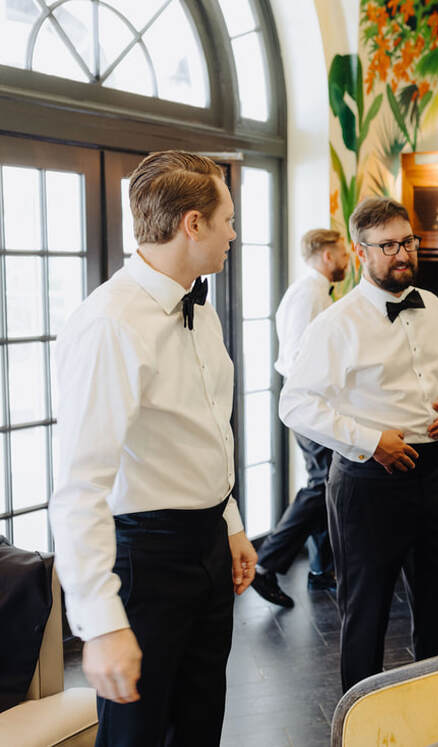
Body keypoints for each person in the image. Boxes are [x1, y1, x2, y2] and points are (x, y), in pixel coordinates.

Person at [49, 150, 257, 746]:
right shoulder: (110, 323)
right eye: (228, 221)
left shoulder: (202, 308)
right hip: (146, 560)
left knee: (197, 729)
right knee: (137, 737)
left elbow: (210, 427)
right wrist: (101, 625)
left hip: (209, 548)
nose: (234, 235)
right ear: (192, 224)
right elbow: (80, 488)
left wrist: (232, 524)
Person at [278, 196, 438, 690]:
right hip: (368, 482)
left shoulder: (432, 307)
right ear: (360, 252)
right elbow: (295, 404)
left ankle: (435, 721)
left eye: (407, 242)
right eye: (388, 246)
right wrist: (369, 441)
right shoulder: (335, 323)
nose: (402, 253)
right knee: (366, 613)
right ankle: (358, 727)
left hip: (433, 474)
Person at [251, 228, 351, 607]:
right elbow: (295, 358)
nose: (346, 260)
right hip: (309, 403)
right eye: (342, 253)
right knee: (323, 483)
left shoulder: (315, 292)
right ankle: (266, 565)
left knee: (326, 483)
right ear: (328, 256)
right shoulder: (308, 295)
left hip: (317, 401)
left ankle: (319, 569)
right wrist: (319, 403)